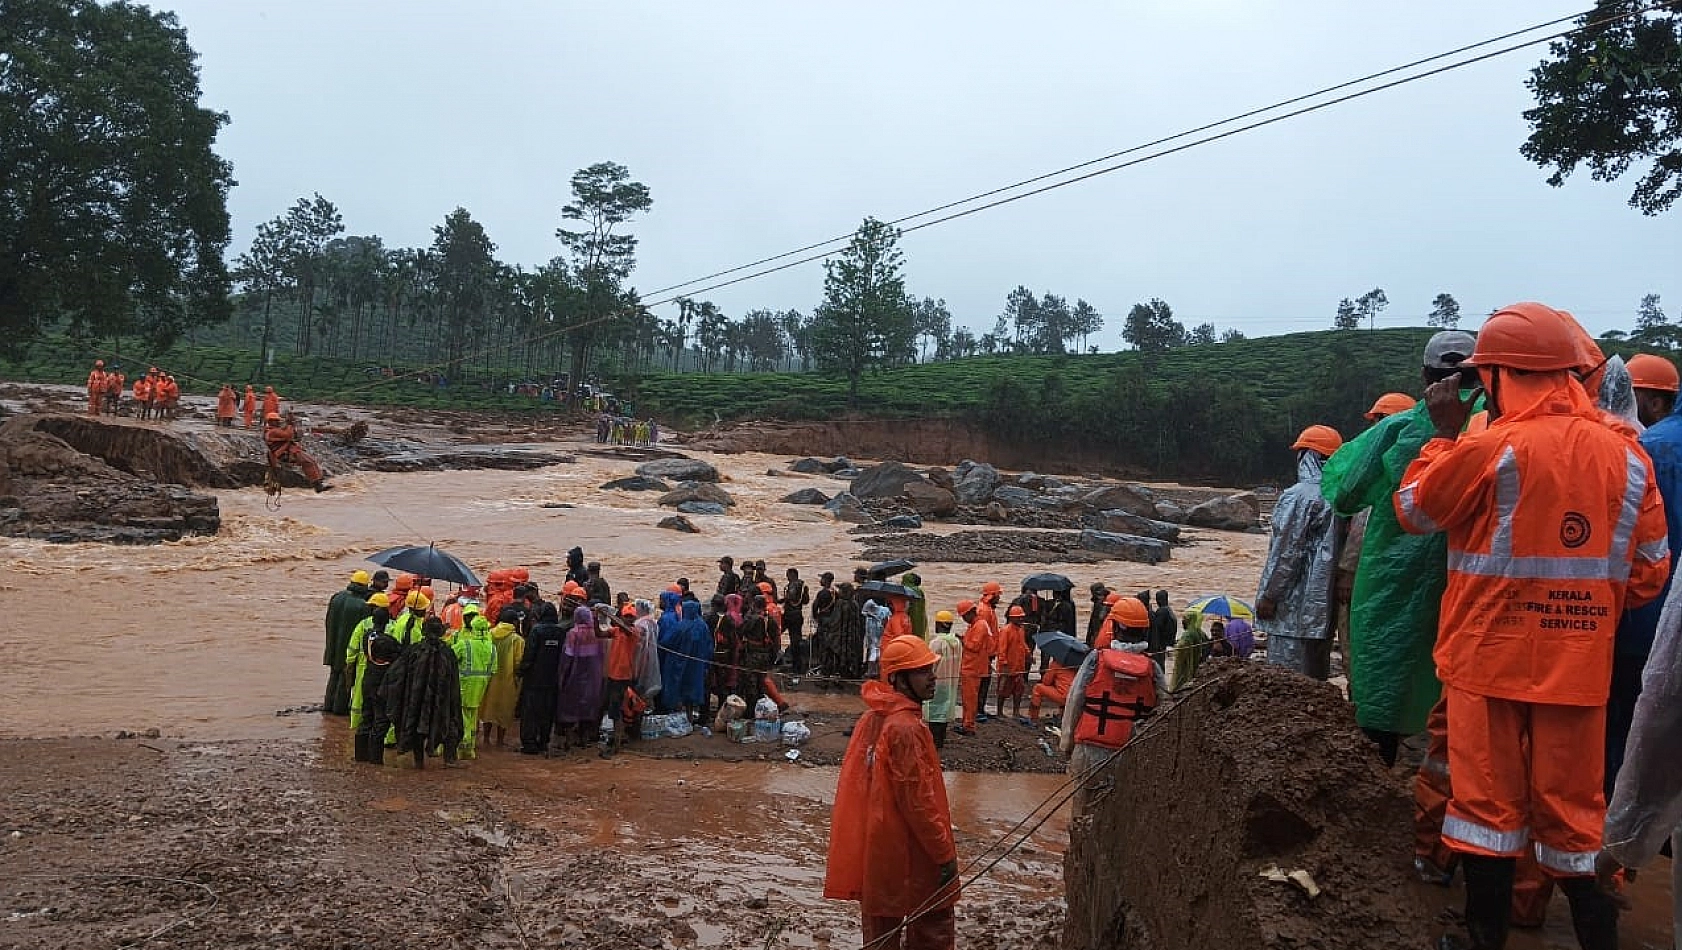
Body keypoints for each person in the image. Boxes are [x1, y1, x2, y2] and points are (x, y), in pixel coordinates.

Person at [1395, 301, 1669, 950]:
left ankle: (1482, 939)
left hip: (1484, 665)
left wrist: (1444, 433)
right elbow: (1650, 575)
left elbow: (1415, 509)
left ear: (1499, 375)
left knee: (1487, 817)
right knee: (1577, 828)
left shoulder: (1489, 448)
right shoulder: (1629, 458)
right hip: (1577, 670)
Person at [1321, 330, 1478, 768]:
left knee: (1382, 693)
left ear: (1425, 375)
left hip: (1391, 589)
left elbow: (1346, 493)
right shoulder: (1502, 429)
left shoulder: (1400, 430)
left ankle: (1383, 800)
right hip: (1475, 596)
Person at [824, 635, 959, 950]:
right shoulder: (906, 728)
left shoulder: (876, 715)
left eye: (930, 669)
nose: (932, 678)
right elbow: (919, 802)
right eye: (923, 671)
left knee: (880, 931)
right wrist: (944, 853)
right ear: (898, 678)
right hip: (912, 846)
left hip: (879, 841)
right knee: (932, 926)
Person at [1611, 353, 1682, 797]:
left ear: (1654, 403)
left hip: (1645, 619)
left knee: (1627, 730)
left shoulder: (1652, 448)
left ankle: (1622, 843)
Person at [1060, 596, 1165, 817]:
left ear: (1115, 627)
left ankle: (1080, 850)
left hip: (1089, 750)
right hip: (1130, 754)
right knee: (1119, 815)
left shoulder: (1096, 659)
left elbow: (1075, 698)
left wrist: (1067, 742)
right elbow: (1165, 711)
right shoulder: (1152, 668)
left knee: (1082, 812)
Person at [1256, 424, 1344, 680]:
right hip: (1323, 611)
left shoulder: (1299, 496)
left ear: (1307, 456)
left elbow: (1286, 551)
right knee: (1315, 681)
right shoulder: (1340, 495)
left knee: (1286, 684)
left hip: (1291, 612)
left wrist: (1270, 596)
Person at [380, 617, 464, 769]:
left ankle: (419, 763)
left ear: (424, 631)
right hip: (442, 700)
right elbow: (454, 680)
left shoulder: (413, 650)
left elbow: (396, 674)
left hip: (416, 700)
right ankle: (449, 760)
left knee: (416, 727)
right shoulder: (448, 652)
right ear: (442, 632)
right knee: (449, 723)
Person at [351, 606, 402, 765]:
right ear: (387, 621)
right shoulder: (388, 640)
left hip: (368, 678)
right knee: (381, 720)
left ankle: (360, 754)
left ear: (373, 620)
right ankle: (375, 758)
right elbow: (400, 656)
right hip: (382, 682)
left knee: (366, 716)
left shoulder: (367, 636)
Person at [556, 599, 608, 751]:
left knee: (570, 705)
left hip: (575, 675)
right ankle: (584, 738)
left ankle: (569, 740)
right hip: (594, 677)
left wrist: (562, 675)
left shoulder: (573, 633)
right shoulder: (597, 634)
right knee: (589, 705)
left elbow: (568, 656)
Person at [517, 602, 565, 755]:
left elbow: (529, 654)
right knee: (547, 712)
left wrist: (521, 671)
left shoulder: (537, 631)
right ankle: (543, 741)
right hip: (552, 679)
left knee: (530, 712)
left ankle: (529, 743)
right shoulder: (561, 631)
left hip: (534, 679)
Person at [323, 570, 373, 716]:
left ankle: (328, 705)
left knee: (334, 675)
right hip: (349, 649)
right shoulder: (363, 606)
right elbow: (363, 630)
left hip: (333, 644)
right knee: (346, 679)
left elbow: (328, 621)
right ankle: (339, 709)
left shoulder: (336, 597)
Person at [346, 593, 392, 737]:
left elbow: (352, 648)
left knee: (360, 699)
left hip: (364, 667)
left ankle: (358, 729)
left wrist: (349, 664)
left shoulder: (364, 625)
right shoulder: (394, 625)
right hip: (386, 670)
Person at [480, 606, 525, 751]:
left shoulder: (489, 633)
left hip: (489, 678)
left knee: (487, 708)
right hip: (507, 680)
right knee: (505, 711)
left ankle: (486, 738)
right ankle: (499, 741)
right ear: (514, 622)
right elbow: (518, 662)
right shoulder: (517, 640)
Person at [452, 606, 495, 759]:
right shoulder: (489, 642)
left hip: (463, 682)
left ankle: (462, 745)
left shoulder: (464, 642)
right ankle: (469, 748)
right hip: (481, 683)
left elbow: (452, 655)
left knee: (462, 715)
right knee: (472, 715)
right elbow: (493, 667)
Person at [263, 412, 330, 492]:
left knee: (311, 461)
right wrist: (290, 424)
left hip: (290, 451)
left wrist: (291, 424)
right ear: (270, 421)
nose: (278, 422)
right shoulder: (272, 432)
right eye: (276, 420)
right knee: (308, 462)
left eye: (278, 420)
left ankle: (319, 482)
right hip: (286, 453)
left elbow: (293, 436)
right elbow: (288, 435)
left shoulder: (273, 430)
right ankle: (317, 485)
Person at [955, 599, 994, 736]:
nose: (964, 619)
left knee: (970, 699)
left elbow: (974, 646)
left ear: (971, 612)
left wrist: (962, 640)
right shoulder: (974, 625)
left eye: (965, 616)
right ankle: (966, 723)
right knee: (967, 698)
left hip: (974, 668)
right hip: (970, 666)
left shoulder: (980, 625)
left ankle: (969, 726)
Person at [924, 611, 962, 748]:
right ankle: (940, 739)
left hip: (938, 680)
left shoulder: (936, 643)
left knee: (934, 710)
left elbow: (930, 663)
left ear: (938, 624)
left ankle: (934, 742)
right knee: (945, 709)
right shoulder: (956, 642)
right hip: (951, 680)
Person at [994, 605, 1030, 722]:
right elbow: (1002, 649)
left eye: (1022, 617)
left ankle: (1016, 712)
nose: (1021, 619)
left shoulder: (1021, 630)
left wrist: (1028, 654)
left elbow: (1023, 644)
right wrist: (1003, 664)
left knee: (1019, 690)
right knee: (1003, 690)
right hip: (1007, 668)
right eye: (1018, 618)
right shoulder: (1006, 630)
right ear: (1012, 618)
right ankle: (999, 712)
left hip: (1019, 667)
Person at [974, 582, 1003, 719]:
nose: (999, 598)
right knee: (983, 681)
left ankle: (980, 708)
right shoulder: (985, 611)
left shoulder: (987, 609)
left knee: (984, 681)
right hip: (984, 653)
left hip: (987, 652)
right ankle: (978, 709)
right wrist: (987, 654)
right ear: (993, 595)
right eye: (998, 595)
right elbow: (983, 634)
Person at [1167, 609, 1210, 693]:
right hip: (1196, 661)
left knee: (1181, 677)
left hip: (1186, 663)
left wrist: (1174, 649)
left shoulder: (1188, 634)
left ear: (1189, 620)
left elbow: (1181, 648)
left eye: (1184, 620)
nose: (1182, 622)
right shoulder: (1199, 632)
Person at [782, 567, 811, 673]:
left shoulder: (794, 585)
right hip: (798, 614)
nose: (786, 577)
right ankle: (798, 664)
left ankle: (796, 666)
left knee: (793, 640)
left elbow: (792, 597)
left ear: (793, 575)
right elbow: (806, 601)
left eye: (788, 574)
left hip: (791, 615)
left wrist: (783, 600)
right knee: (796, 640)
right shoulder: (803, 586)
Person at [1148, 590, 1177, 658]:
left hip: (1163, 644)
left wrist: (1150, 613)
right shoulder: (1169, 609)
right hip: (1170, 641)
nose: (1157, 601)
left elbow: (1156, 627)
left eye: (1158, 599)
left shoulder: (1162, 611)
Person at [902, 572, 929, 640]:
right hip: (921, 621)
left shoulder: (906, 590)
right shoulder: (920, 591)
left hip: (910, 622)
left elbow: (906, 608)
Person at [1085, 583, 1110, 648]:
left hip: (1098, 634)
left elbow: (1097, 621)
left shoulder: (1101, 604)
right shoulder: (1106, 602)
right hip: (1099, 634)